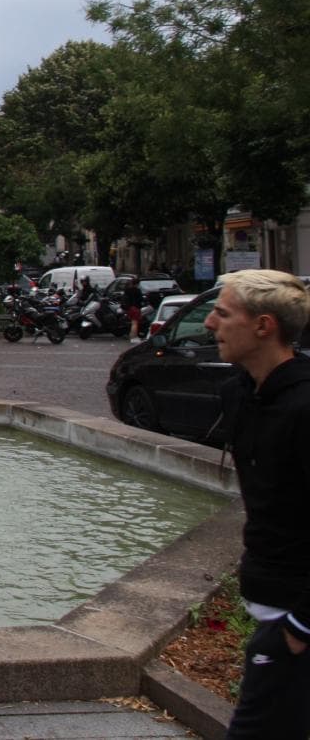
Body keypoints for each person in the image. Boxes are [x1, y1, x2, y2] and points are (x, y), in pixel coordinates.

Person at [201, 270, 310, 738]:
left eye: (223, 313)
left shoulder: (303, 408)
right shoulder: (242, 393)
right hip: (273, 608)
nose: (209, 323)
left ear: (263, 326)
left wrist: (299, 628)